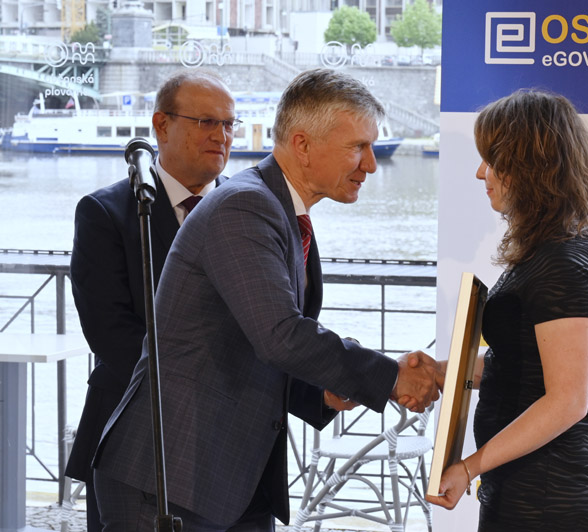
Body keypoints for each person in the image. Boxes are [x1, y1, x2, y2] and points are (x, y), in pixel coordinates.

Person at [91, 68, 440, 531]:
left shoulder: (277, 208)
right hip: (169, 476)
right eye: (358, 147)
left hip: (230, 478)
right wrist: (390, 376)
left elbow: (255, 341)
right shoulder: (246, 206)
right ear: (302, 145)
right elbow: (281, 335)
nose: (371, 165)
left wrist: (325, 388)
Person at [426, 89, 588, 531]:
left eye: (492, 160)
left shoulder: (561, 261)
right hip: (529, 485)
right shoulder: (551, 250)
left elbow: (566, 400)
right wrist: (442, 372)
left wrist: (469, 466)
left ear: (530, 167)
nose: (481, 172)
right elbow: (519, 365)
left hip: (546, 494)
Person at [66, 67, 235, 532]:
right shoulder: (107, 212)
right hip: (135, 445)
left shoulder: (250, 211)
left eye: (228, 124)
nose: (221, 135)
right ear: (161, 125)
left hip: (235, 450)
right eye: (206, 122)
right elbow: (111, 334)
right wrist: (204, 395)